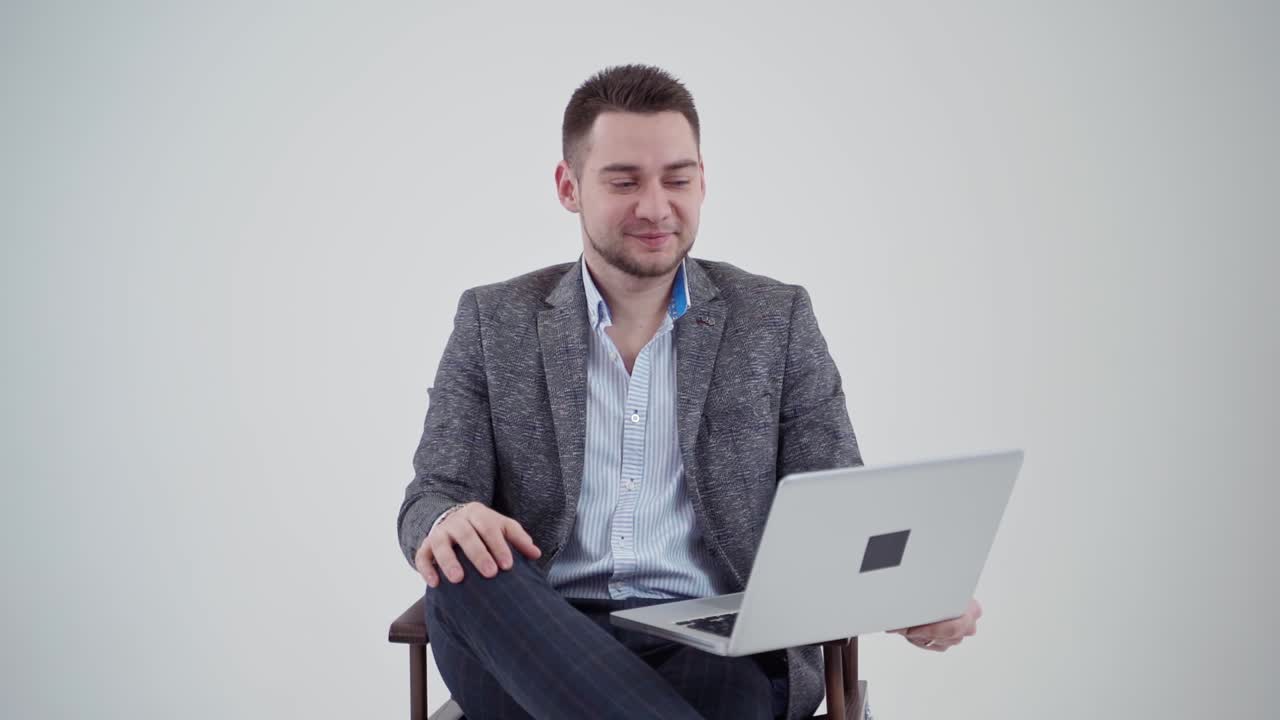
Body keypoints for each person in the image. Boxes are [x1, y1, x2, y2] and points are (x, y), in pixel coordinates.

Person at [397, 64, 982, 720]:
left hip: (710, 645)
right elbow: (431, 495)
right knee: (466, 567)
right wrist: (450, 520)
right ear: (569, 186)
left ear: (703, 181)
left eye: (678, 179)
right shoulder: (492, 320)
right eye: (623, 181)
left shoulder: (774, 318)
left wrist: (915, 595)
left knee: (722, 686)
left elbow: (838, 511)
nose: (655, 206)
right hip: (535, 636)